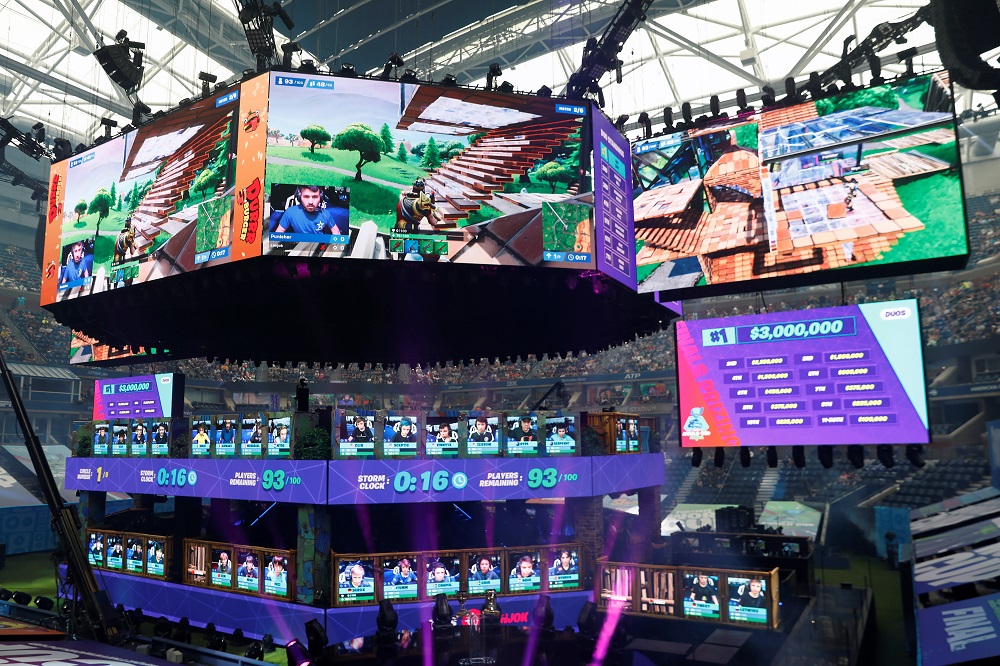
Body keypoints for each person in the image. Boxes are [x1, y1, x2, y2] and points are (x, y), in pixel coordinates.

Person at [275, 185, 347, 235]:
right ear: (300, 197)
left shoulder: (325, 213)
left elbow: (336, 233)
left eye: (315, 197)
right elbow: (278, 234)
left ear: (320, 198)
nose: (310, 202)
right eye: (306, 197)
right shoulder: (290, 212)